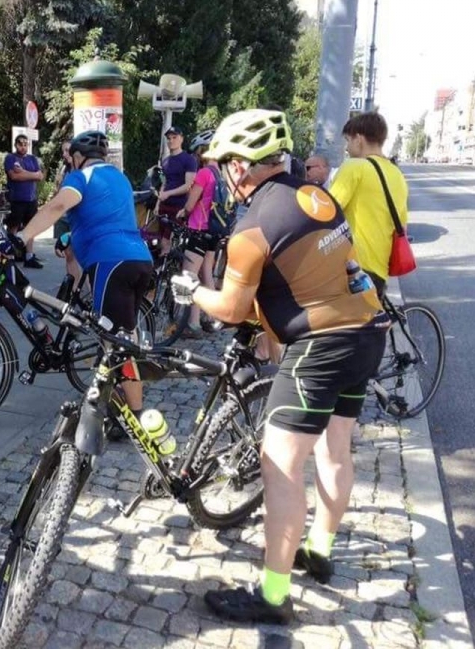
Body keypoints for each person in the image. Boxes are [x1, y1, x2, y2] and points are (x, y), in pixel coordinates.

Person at [170, 109, 388, 624]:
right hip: (368, 330)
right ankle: (320, 549)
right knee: (335, 449)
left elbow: (228, 309)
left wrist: (191, 290)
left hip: (319, 348)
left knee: (281, 466)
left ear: (240, 167)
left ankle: (272, 595)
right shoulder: (316, 195)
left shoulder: (251, 229)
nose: (223, 174)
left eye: (224, 164)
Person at [11, 130, 152, 421]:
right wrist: (71, 239)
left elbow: (57, 206)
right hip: (138, 260)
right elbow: (105, 218)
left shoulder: (81, 176)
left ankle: (133, 417)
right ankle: (124, 406)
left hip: (111, 263)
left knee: (116, 346)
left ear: (77, 156)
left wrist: (21, 237)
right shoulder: (120, 178)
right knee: (125, 337)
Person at [329, 112, 409, 297]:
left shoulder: (354, 166)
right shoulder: (397, 174)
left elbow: (327, 211)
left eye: (348, 140)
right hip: (379, 269)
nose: (347, 147)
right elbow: (402, 225)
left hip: (354, 267)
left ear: (359, 139)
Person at [171, 130, 218, 339]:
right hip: (215, 231)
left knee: (189, 275)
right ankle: (212, 317)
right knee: (207, 273)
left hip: (198, 229)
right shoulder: (221, 173)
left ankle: (193, 323)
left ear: (202, 152)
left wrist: (182, 212)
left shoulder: (204, 173)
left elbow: (191, 204)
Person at [154, 126, 197, 255]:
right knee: (160, 240)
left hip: (178, 207)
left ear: (181, 139)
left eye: (174, 137)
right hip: (164, 206)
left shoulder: (189, 160)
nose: (171, 141)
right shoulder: (165, 161)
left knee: (167, 242)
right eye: (169, 138)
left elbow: (188, 185)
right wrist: (158, 204)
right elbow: (164, 183)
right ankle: (162, 263)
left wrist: (168, 193)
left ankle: (164, 264)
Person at [4, 134, 44, 268]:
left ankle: (29, 257)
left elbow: (40, 176)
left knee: (30, 228)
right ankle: (9, 257)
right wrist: (33, 175)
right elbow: (14, 176)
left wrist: (23, 172)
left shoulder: (32, 159)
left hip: (31, 199)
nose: (23, 146)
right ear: (15, 145)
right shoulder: (10, 158)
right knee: (13, 228)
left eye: (25, 144)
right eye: (20, 144)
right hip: (16, 199)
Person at [52, 140, 81, 285]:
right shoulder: (64, 170)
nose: (64, 154)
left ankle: (88, 291)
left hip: (78, 218)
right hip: (63, 216)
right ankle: (73, 289)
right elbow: (57, 195)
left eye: (67, 150)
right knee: (68, 255)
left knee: (83, 257)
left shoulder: (82, 171)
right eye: (63, 151)